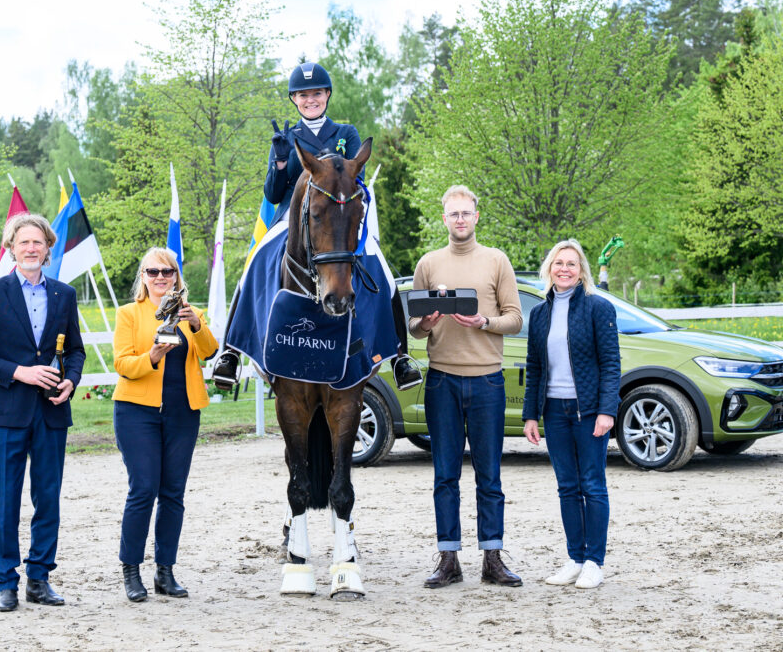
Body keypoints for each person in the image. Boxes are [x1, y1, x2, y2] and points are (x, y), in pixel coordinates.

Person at [211, 61, 421, 392]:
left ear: (327, 95)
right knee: (251, 265)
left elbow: (357, 179)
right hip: (293, 220)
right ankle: (231, 354)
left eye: (317, 93)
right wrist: (280, 164)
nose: (311, 100)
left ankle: (400, 357)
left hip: (338, 216)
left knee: (383, 268)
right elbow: (273, 193)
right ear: (295, 99)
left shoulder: (346, 133)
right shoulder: (287, 137)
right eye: (304, 95)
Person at [0, 213, 86, 612]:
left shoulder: (64, 295)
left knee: (47, 498)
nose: (31, 249)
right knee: (4, 501)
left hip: (51, 412)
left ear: (48, 248)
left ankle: (39, 578)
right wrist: (20, 372)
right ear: (11, 248)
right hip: (5, 412)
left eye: (38, 242)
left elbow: (76, 351)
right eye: (23, 243)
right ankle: (5, 582)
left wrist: (71, 381)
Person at [407, 185, 523, 589]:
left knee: (489, 475)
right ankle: (448, 558)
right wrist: (427, 322)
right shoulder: (428, 263)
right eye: (453, 214)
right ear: (444, 219)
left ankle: (492, 557)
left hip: (488, 380)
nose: (460, 219)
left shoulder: (496, 261)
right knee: (445, 475)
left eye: (466, 213)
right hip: (442, 381)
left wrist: (485, 323)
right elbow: (414, 328)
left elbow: (515, 318)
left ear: (476, 216)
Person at [111, 247, 219, 602]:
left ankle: (165, 571)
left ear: (176, 276)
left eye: (167, 272)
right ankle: (131, 571)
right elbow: (123, 364)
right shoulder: (129, 314)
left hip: (183, 412)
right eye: (153, 272)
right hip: (136, 412)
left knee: (173, 493)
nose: (161, 278)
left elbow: (209, 350)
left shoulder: (192, 313)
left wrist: (196, 324)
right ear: (143, 277)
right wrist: (152, 357)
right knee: (143, 489)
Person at [522, 239, 621, 589]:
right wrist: (530, 415)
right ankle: (575, 558)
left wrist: (607, 411)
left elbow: (611, 364)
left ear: (582, 272)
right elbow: (534, 368)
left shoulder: (598, 308)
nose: (564, 269)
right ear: (549, 268)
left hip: (590, 411)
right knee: (567, 487)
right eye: (559, 263)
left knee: (592, 485)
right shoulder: (539, 314)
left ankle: (595, 561)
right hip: (554, 411)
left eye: (572, 264)